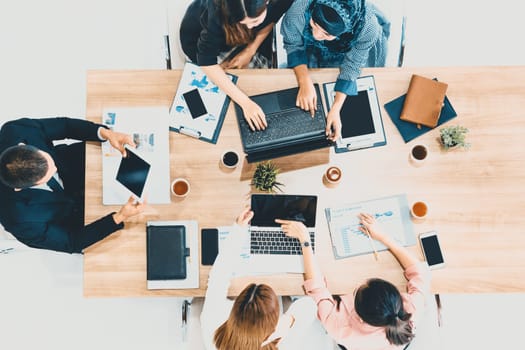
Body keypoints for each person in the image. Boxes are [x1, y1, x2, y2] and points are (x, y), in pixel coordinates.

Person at [276, 213, 431, 350]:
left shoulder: (339, 326)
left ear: (359, 317)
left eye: (357, 290)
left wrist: (305, 240)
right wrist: (384, 237)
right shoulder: (412, 311)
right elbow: (420, 272)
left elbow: (316, 289)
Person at [0, 117, 146, 254]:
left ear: (23, 145)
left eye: (48, 159)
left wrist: (104, 133)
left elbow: (65, 126)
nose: (55, 169)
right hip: (79, 213)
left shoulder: (15, 130)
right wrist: (119, 217)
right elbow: (71, 242)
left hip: (82, 162)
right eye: (47, 175)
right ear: (19, 188)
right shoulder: (19, 222)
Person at [200, 206, 336, 349]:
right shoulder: (284, 342)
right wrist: (286, 323)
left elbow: (218, 276)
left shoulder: (212, 321)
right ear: (274, 324)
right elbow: (309, 305)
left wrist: (238, 230)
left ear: (235, 310)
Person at [281, 0, 390, 141]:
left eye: (326, 34)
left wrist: (336, 108)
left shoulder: (367, 28)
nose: (316, 36)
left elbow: (352, 65)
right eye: (314, 23)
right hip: (313, 48)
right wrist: (305, 81)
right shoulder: (299, 9)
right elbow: (293, 43)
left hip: (352, 46)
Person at [180, 0, 293, 131]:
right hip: (199, 38)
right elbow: (206, 61)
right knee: (203, 98)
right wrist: (246, 103)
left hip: (238, 38)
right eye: (243, 22)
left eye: (254, 21)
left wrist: (250, 50)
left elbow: (274, 15)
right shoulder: (216, 13)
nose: (250, 27)